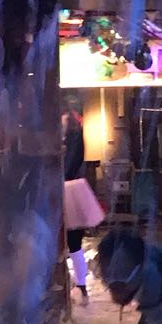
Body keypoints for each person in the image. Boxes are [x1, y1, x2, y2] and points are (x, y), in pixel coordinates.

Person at [61, 105, 104, 301]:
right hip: (73, 188)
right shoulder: (75, 133)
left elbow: (70, 165)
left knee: (71, 242)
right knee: (74, 243)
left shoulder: (71, 135)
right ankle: (79, 283)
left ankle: (77, 283)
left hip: (68, 188)